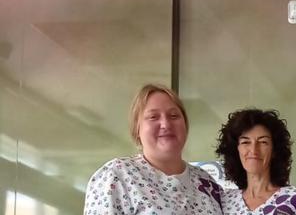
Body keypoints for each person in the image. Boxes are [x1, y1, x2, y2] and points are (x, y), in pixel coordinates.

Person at [83, 83, 223, 214]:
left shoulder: (206, 182)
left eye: (174, 116)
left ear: (185, 125)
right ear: (137, 129)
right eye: (153, 117)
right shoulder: (117, 176)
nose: (165, 124)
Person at [216, 108, 296, 214]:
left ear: (274, 150)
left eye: (263, 142)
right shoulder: (223, 201)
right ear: (236, 150)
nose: (254, 150)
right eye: (245, 142)